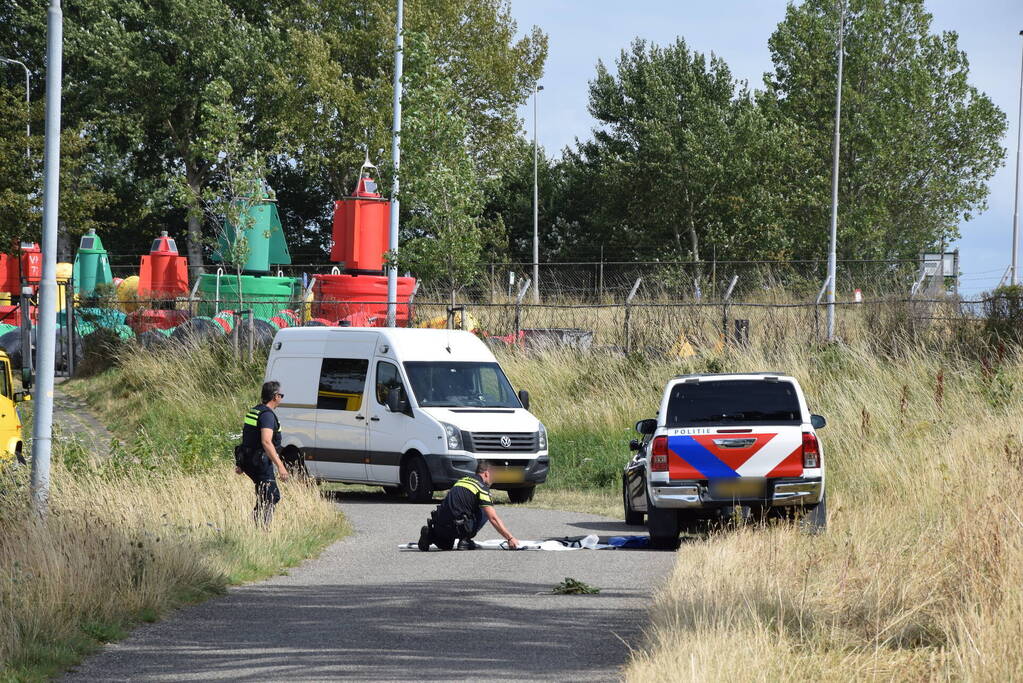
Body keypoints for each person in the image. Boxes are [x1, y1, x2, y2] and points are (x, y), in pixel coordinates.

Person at [418, 461, 520, 551]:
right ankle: (465, 540)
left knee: (446, 545)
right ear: (487, 473)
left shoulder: (462, 481)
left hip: (440, 524)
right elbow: (493, 518)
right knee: (486, 508)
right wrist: (510, 538)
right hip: (458, 527)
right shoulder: (481, 487)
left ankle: (431, 535)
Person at [236, 380, 289, 525]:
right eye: (281, 395)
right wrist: (280, 466)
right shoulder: (267, 415)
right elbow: (266, 442)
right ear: (275, 396)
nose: (281, 399)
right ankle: (260, 528)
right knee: (272, 495)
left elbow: (248, 438)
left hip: (249, 460)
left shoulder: (254, 410)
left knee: (265, 494)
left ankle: (256, 527)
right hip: (260, 462)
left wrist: (240, 463)